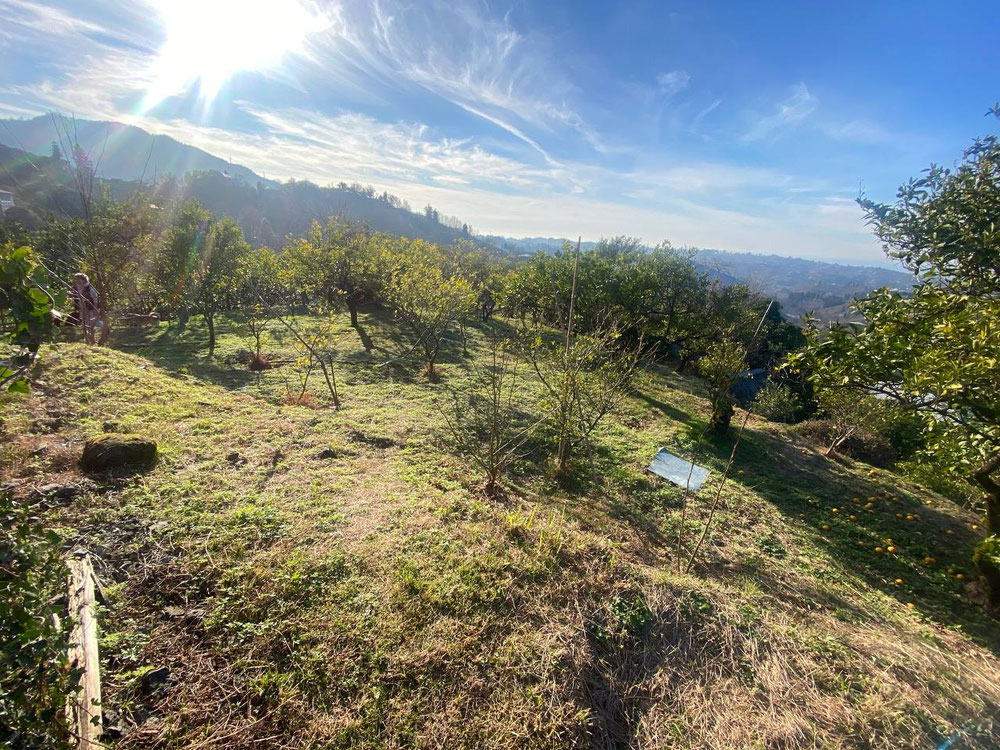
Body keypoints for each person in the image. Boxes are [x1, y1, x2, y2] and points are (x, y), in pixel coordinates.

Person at [71, 273, 101, 344]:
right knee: (84, 324)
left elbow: (95, 298)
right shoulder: (76, 288)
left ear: (83, 279)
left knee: (91, 324)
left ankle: (92, 339)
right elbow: (74, 297)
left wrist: (95, 308)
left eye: (78, 279)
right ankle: (87, 339)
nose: (77, 281)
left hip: (90, 308)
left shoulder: (89, 287)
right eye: (76, 279)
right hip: (81, 308)